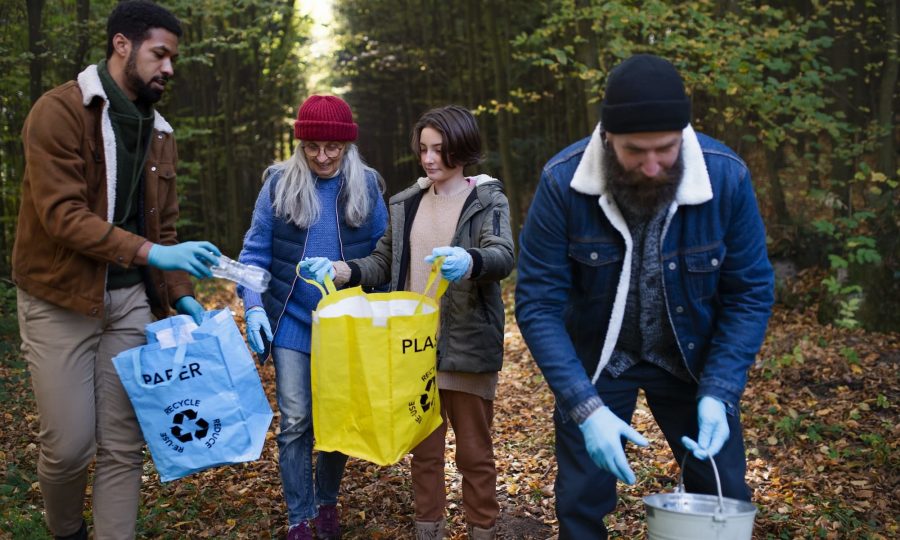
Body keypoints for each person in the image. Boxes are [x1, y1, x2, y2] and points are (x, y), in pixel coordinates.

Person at [515, 54, 775, 539]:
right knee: (580, 503)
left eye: (666, 149)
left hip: (690, 361)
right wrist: (585, 409)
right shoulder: (561, 184)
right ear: (607, 136)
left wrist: (720, 392)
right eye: (636, 150)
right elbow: (537, 304)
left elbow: (750, 293)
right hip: (598, 361)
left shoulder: (727, 178)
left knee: (722, 496)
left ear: (684, 134)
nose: (652, 166)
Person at [12, 2, 221, 539]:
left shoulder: (161, 133)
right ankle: (66, 531)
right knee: (68, 447)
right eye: (160, 54)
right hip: (59, 298)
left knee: (123, 445)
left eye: (173, 58)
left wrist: (183, 295)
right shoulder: (57, 112)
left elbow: (164, 231)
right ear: (121, 45)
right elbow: (62, 217)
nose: (169, 68)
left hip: (130, 302)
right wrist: (154, 255)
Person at [302, 105, 515, 540]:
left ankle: (483, 530)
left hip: (466, 342)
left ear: (462, 148)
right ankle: (428, 530)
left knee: (474, 452)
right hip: (412, 350)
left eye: (440, 149)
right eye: (423, 150)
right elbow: (383, 262)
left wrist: (469, 260)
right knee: (425, 453)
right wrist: (339, 271)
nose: (430, 159)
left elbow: (502, 255)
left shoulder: (488, 200)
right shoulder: (405, 203)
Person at [237, 94, 388, 540]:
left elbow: (385, 251)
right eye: (312, 147)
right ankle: (299, 517)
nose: (322, 157)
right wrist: (251, 305)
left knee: (336, 421)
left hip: (344, 323)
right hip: (290, 318)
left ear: (348, 147)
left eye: (332, 148)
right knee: (297, 419)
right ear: (299, 145)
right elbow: (254, 253)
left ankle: (326, 504)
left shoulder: (369, 184)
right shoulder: (278, 184)